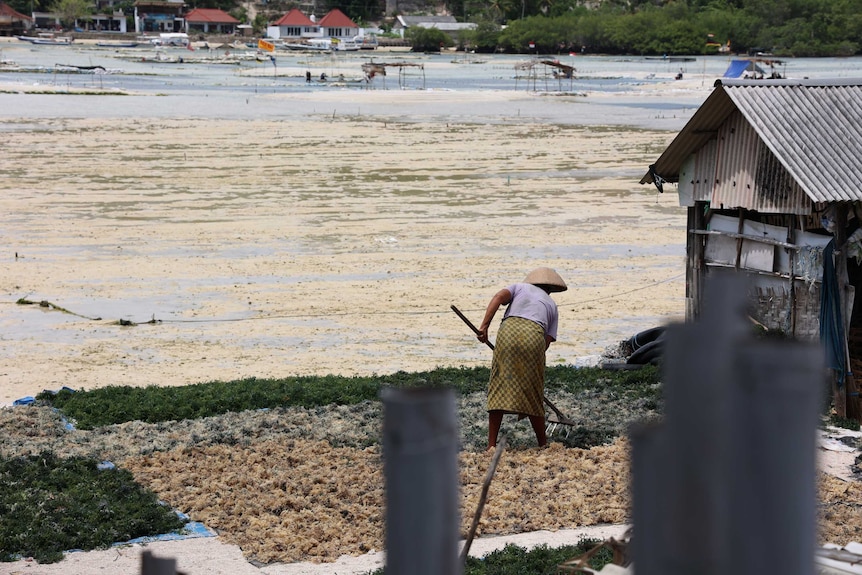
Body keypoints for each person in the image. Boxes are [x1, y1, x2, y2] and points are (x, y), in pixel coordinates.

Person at [477, 267, 567, 450]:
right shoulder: (551, 304)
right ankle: (542, 444)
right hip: (535, 336)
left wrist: (484, 326)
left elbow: (498, 298)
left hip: (508, 332)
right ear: (550, 289)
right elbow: (547, 341)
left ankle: (491, 445)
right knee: (533, 390)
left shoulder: (519, 287)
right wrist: (532, 360)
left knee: (499, 385)